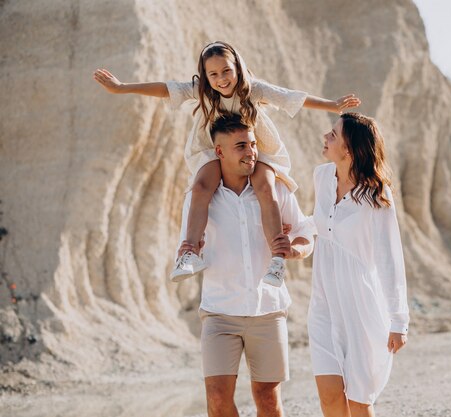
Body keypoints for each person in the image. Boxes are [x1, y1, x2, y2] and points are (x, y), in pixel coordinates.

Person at [93, 41, 360, 286]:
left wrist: (332, 105)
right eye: (214, 75)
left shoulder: (253, 89)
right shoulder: (204, 91)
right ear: (206, 76)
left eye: (226, 71)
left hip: (256, 148)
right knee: (200, 187)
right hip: (213, 149)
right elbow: (166, 88)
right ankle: (189, 253)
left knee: (266, 188)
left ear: (237, 68)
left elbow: (289, 97)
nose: (221, 79)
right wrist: (121, 87)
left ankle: (277, 260)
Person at [179, 113, 314, 417]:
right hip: (219, 312)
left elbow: (306, 234)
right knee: (216, 398)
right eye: (241, 145)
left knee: (267, 398)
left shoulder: (276, 190)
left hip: (267, 311)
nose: (251, 151)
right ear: (220, 152)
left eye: (253, 144)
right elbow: (185, 246)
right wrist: (191, 249)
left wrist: (295, 251)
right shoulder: (200, 198)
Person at [308, 113, 410, 416]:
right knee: (329, 398)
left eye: (334, 135)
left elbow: (389, 257)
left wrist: (398, 320)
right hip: (323, 303)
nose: (325, 137)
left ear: (350, 148)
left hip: (362, 307)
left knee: (358, 401)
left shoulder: (377, 194)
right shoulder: (321, 177)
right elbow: (319, 225)